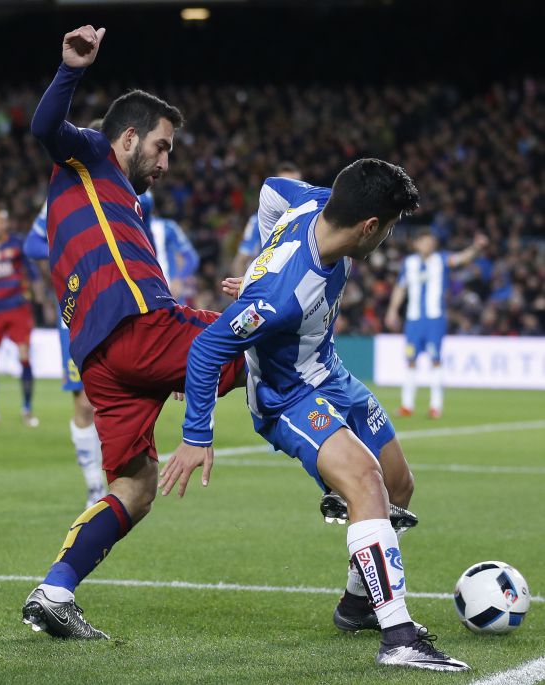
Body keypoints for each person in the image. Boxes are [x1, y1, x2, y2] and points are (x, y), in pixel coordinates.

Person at [159, 160, 469, 671]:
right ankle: (399, 638)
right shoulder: (281, 295)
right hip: (287, 396)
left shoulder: (315, 200)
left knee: (399, 484)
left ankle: (357, 606)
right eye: (388, 229)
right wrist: (196, 435)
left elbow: (269, 188)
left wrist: (262, 260)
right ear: (369, 226)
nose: (387, 240)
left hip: (329, 373)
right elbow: (208, 348)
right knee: (366, 480)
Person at [22, 24, 245, 640]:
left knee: (136, 484)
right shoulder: (92, 154)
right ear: (127, 137)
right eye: (162, 147)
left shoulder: (122, 198)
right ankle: (355, 499)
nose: (166, 163)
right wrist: (71, 70)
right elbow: (44, 127)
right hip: (138, 326)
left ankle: (54, 591)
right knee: (261, 336)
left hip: (101, 359)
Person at [24, 201, 106, 507]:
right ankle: (95, 486)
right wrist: (68, 255)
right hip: (74, 311)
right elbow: (32, 244)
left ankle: (128, 481)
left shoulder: (127, 191)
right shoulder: (59, 198)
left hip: (116, 303)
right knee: (84, 403)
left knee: (119, 395)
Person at [385, 227, 488, 418]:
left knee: (435, 359)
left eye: (431, 241)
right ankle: (407, 405)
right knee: (410, 360)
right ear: (416, 244)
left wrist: (476, 247)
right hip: (414, 320)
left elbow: (462, 258)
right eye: (425, 241)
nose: (428, 244)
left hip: (435, 320)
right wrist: (392, 310)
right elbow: (400, 288)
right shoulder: (409, 263)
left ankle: (435, 406)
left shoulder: (441, 260)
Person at [0, 206, 40, 428]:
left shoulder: (17, 244)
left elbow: (32, 273)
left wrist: (37, 295)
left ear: (5, 224)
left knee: (24, 355)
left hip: (17, 308)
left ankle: (27, 409)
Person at [231, 162, 302, 277]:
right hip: (267, 281)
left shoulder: (311, 218)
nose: (291, 192)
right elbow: (239, 262)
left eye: (297, 186)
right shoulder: (258, 221)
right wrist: (245, 288)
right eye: (286, 186)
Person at [141, 191, 200, 303]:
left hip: (169, 296)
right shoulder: (124, 228)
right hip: (142, 298)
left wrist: (179, 280)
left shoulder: (166, 227)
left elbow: (191, 257)